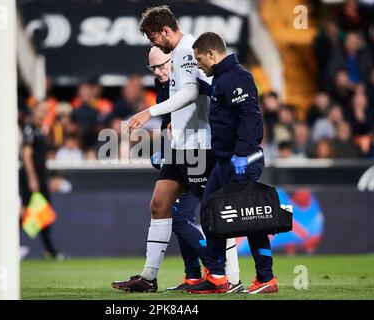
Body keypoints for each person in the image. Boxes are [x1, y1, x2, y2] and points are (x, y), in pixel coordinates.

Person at [112, 6, 242, 293]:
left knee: (214, 213)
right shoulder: (182, 52)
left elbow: (191, 91)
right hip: (182, 146)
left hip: (200, 146)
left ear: (165, 30)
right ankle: (148, 278)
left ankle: (230, 277)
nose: (153, 43)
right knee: (159, 204)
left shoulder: (186, 49)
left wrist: (150, 112)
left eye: (152, 37)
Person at [187, 32, 277, 294]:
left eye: (199, 58)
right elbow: (222, 99)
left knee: (249, 219)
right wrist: (199, 86)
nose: (198, 63)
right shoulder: (221, 80)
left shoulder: (238, 77)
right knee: (209, 212)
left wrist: (243, 153)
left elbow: (250, 117)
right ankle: (217, 276)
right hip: (225, 162)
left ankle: (266, 278)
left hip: (242, 160)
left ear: (212, 54)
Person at [148, 46, 208, 291]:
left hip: (198, 154)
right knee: (177, 216)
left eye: (162, 65)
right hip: (179, 155)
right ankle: (193, 276)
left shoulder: (190, 81)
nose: (158, 71)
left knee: (181, 218)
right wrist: (164, 151)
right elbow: (169, 122)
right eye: (153, 67)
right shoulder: (163, 86)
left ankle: (217, 269)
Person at [20, 101, 62, 259]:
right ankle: (7, 245)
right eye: (41, 110)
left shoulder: (39, 130)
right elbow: (26, 155)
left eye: (45, 111)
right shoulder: (30, 129)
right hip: (31, 177)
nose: (44, 113)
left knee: (43, 213)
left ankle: (49, 250)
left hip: (40, 177)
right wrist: (32, 178)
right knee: (25, 212)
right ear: (33, 112)